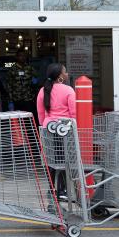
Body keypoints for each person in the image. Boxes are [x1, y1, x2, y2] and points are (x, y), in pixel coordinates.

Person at [35, 64, 75, 197]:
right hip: (65, 128)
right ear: (60, 76)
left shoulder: (43, 90)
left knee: (50, 160)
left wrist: (45, 125)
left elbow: (41, 113)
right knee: (64, 159)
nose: (67, 74)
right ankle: (62, 189)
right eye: (65, 72)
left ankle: (51, 189)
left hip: (48, 128)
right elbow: (73, 113)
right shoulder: (69, 90)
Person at [7, 49, 38, 115]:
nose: (23, 57)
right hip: (17, 99)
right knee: (18, 119)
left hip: (28, 98)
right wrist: (10, 100)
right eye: (20, 56)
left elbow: (36, 80)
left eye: (24, 56)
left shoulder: (30, 68)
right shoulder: (12, 69)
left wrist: (35, 81)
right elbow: (9, 85)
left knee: (29, 118)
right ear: (17, 57)